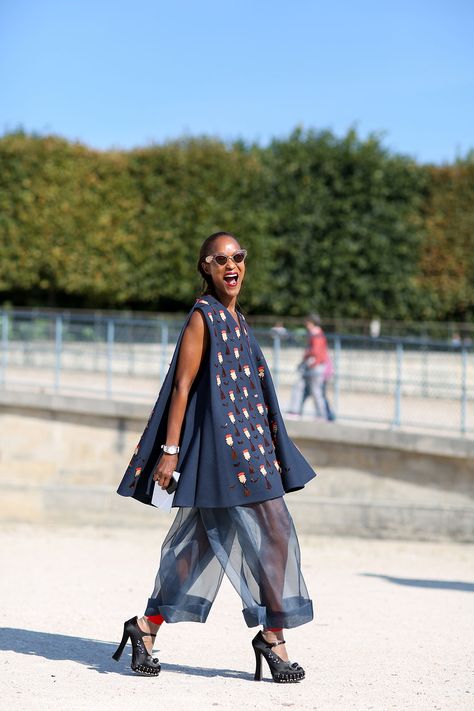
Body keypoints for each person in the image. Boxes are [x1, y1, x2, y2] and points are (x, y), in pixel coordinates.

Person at [113, 232, 316, 683]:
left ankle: (147, 627)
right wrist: (169, 452)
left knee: (225, 540)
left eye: (238, 257)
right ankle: (270, 637)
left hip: (252, 451)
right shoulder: (203, 318)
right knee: (215, 542)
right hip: (219, 454)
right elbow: (181, 386)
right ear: (205, 267)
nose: (232, 265)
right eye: (220, 259)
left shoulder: (238, 318)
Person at [288, 314, 329, 418]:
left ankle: (321, 415)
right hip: (312, 366)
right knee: (299, 386)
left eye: (308, 322)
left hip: (315, 366)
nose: (306, 324)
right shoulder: (314, 333)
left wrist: (307, 355)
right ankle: (295, 411)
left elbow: (317, 351)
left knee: (316, 391)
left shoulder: (317, 334)